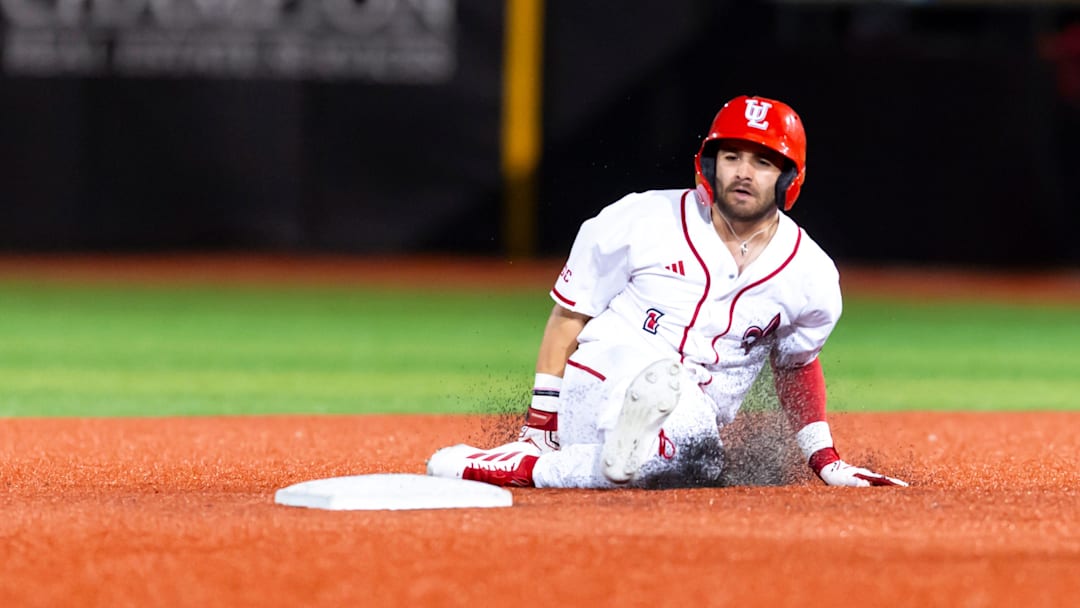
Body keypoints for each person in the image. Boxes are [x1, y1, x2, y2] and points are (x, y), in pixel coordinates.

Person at [427, 95, 908, 489]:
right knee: (682, 445)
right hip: (602, 377)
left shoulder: (811, 273)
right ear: (709, 163)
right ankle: (535, 461)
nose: (743, 171)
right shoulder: (640, 219)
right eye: (732, 156)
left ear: (788, 178)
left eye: (763, 161)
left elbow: (796, 364)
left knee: (692, 464)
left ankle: (568, 462)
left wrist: (826, 460)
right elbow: (569, 317)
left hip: (692, 420)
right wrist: (538, 427)